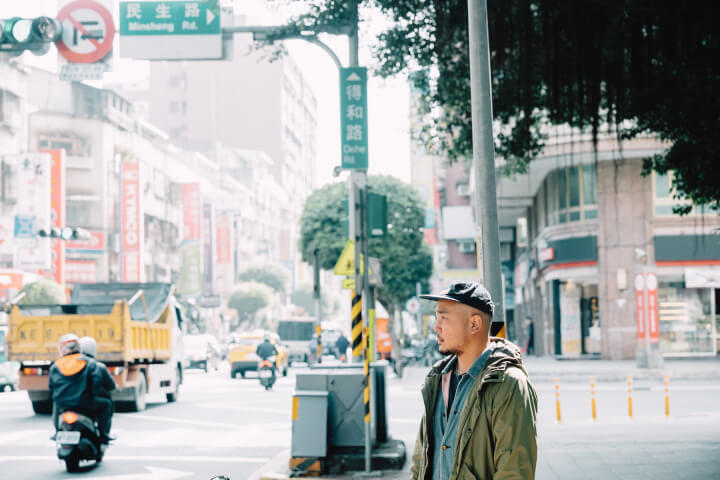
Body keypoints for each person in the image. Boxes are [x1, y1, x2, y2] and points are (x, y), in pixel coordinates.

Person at [410, 281, 538, 480]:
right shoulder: (437, 379)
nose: (436, 327)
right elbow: (420, 460)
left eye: (444, 318)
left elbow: (514, 471)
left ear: (474, 324)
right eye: (436, 318)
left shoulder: (508, 383)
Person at [49, 334, 112, 443]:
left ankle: (56, 432)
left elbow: (52, 388)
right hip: (86, 403)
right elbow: (96, 384)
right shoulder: (89, 363)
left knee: (55, 404)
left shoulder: (56, 366)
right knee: (106, 404)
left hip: (64, 405)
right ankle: (103, 435)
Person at [79, 336, 117, 442]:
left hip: (67, 403)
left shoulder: (68, 365)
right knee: (107, 404)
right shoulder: (99, 367)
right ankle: (103, 434)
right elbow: (111, 386)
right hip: (88, 402)